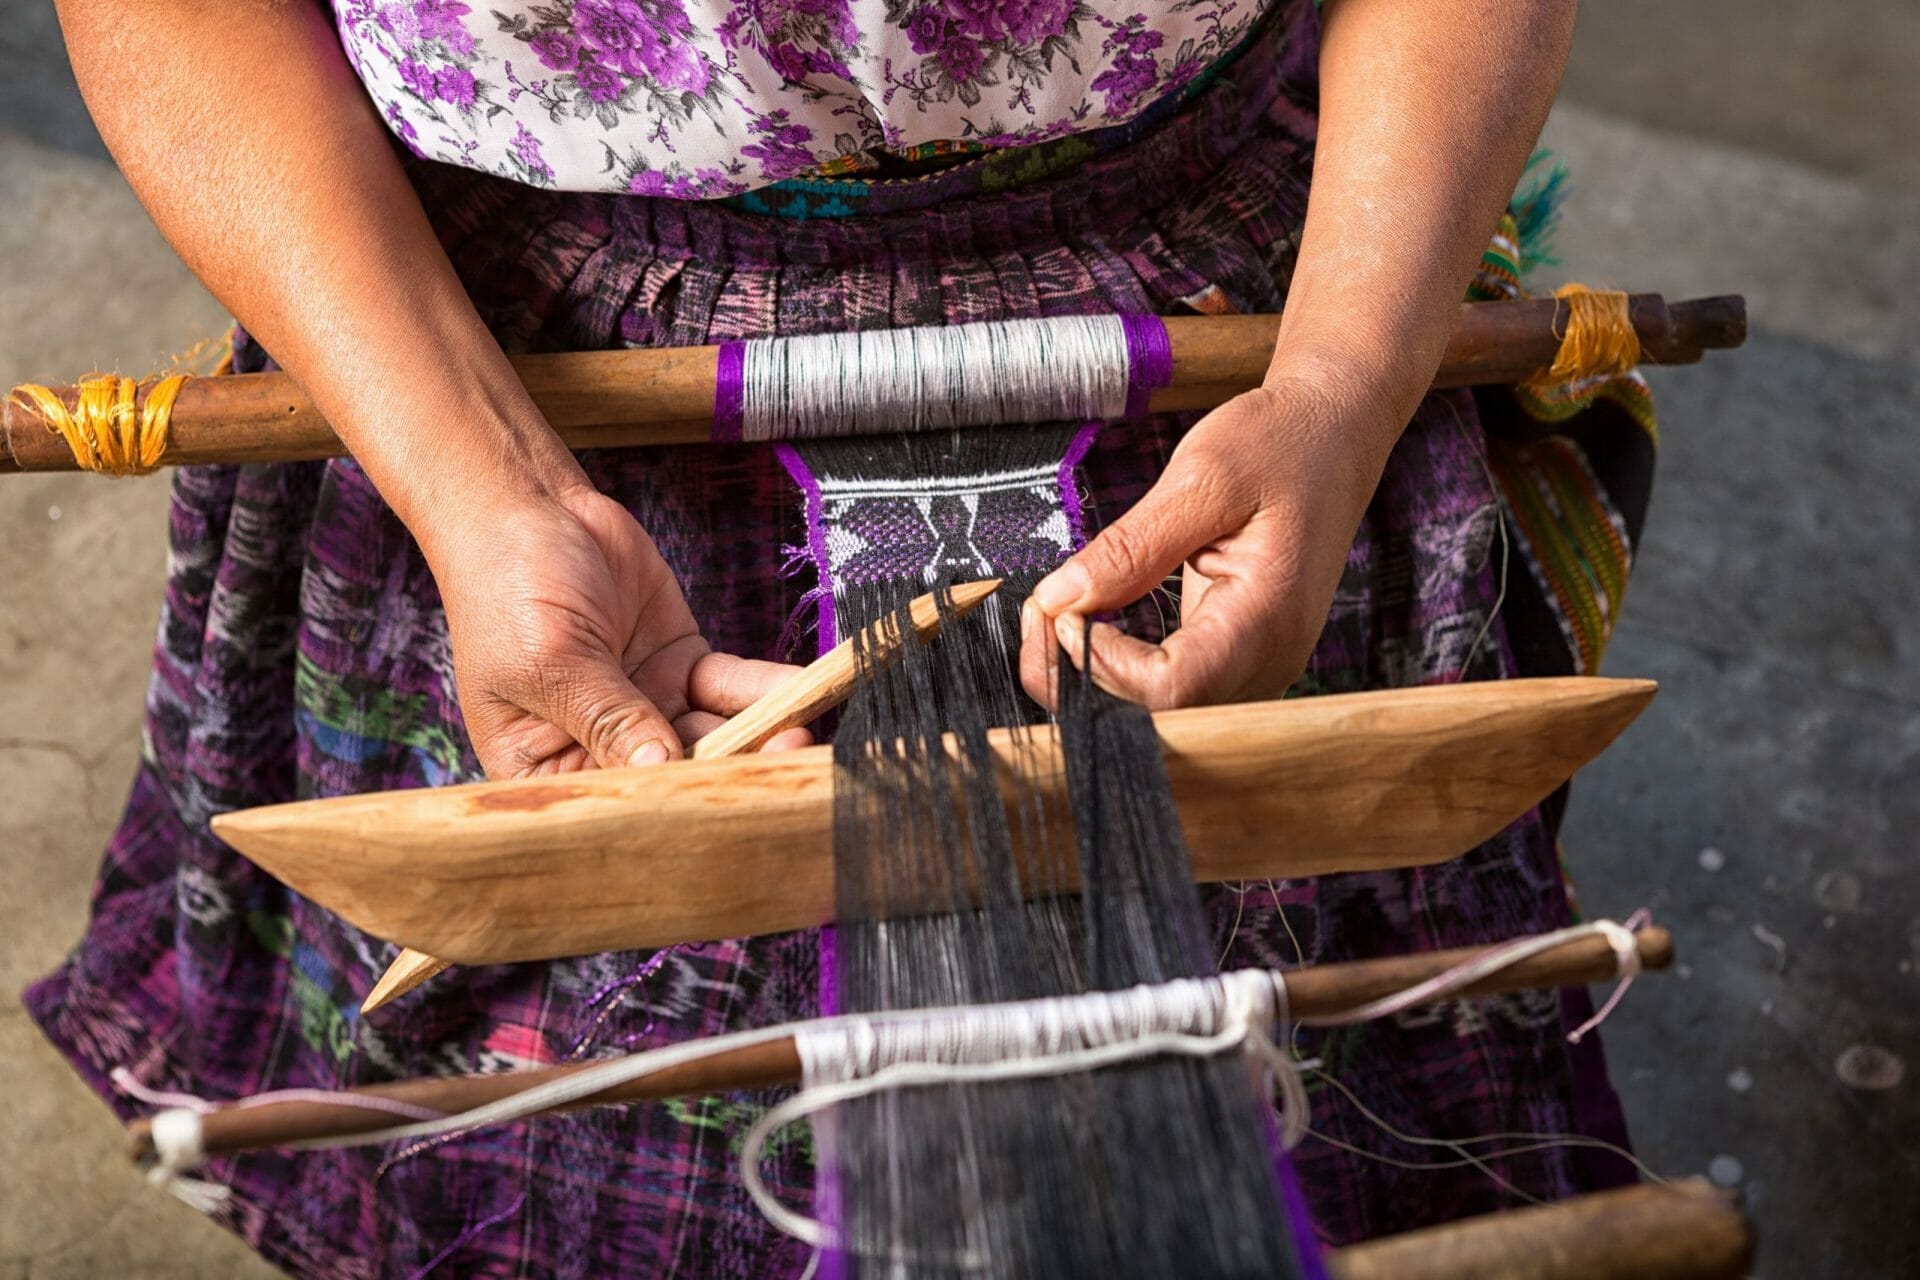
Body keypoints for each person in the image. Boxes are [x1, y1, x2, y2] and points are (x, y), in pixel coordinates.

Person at [30, 0, 1648, 1274]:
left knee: (1269, 1078)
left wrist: (1339, 390)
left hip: (1234, 317)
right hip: (491, 352)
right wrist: (484, 488)